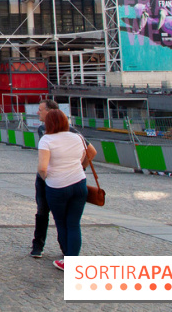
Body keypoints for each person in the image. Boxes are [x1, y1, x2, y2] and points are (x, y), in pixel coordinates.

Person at [37, 109, 96, 271]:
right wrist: (80, 169)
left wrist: (46, 178)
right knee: (74, 224)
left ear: (49, 124)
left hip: (57, 187)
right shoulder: (78, 137)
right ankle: (73, 259)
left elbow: (42, 167)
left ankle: (67, 259)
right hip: (79, 184)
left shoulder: (46, 140)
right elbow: (87, 155)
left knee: (61, 223)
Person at [29, 99, 58, 258]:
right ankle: (38, 245)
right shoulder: (42, 129)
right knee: (43, 211)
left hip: (51, 176)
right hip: (46, 177)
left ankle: (42, 246)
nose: (37, 112)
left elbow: (90, 150)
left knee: (51, 212)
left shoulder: (71, 132)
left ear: (50, 111)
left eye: (40, 110)